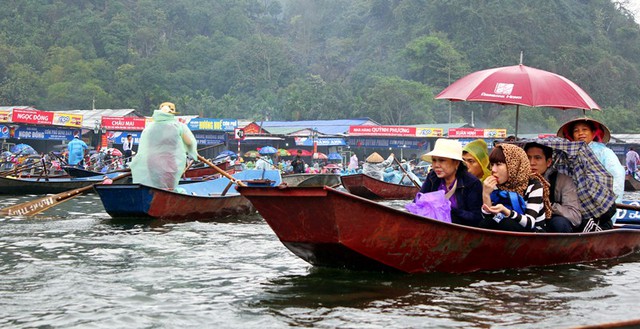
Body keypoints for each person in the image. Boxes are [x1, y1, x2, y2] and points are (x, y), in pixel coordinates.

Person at [557, 117, 624, 228]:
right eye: (576, 131)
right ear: (571, 135)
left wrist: (606, 203)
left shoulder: (605, 153)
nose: (580, 133)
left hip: (599, 204)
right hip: (574, 203)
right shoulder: (568, 154)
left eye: (585, 129)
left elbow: (616, 178)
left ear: (593, 133)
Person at [479, 143, 552, 232]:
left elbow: (530, 222)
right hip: (506, 229)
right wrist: (486, 194)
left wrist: (507, 211)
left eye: (498, 164)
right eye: (492, 164)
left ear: (513, 166)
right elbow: (489, 218)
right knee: (485, 223)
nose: (493, 170)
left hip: (534, 234)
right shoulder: (496, 185)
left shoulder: (534, 185)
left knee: (507, 223)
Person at [130, 102, 198, 190]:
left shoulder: (150, 127)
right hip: (169, 161)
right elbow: (189, 143)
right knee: (169, 188)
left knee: (155, 186)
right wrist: (190, 149)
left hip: (152, 161)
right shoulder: (178, 126)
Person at [418, 139, 483, 226]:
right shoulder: (432, 177)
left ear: (456, 163)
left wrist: (448, 209)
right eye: (434, 160)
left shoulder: (471, 183)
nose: (436, 165)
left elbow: (476, 217)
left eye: (442, 160)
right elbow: (418, 202)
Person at [525, 142, 581, 232]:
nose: (531, 163)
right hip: (527, 220)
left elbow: (575, 217)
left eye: (537, 158)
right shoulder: (518, 180)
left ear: (548, 162)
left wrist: (548, 204)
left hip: (552, 224)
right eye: (528, 158)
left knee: (559, 223)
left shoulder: (563, 181)